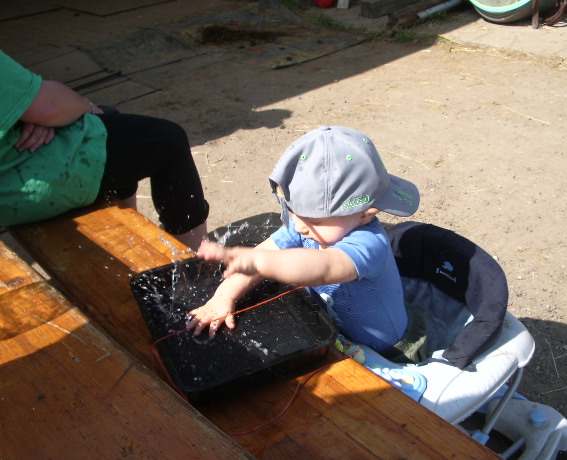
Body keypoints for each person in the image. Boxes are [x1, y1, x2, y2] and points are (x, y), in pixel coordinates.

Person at [187, 125, 420, 353]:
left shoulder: (368, 244)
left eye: (315, 220)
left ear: (366, 212)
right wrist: (223, 296)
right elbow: (265, 254)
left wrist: (259, 262)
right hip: (333, 332)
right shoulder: (304, 227)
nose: (298, 226)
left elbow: (322, 267)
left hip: (388, 349)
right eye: (293, 212)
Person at [0, 50, 208, 250]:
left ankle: (130, 239)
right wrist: (84, 106)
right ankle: (196, 267)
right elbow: (50, 106)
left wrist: (33, 110)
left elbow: (36, 103)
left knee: (112, 122)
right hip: (19, 186)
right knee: (170, 142)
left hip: (11, 173)